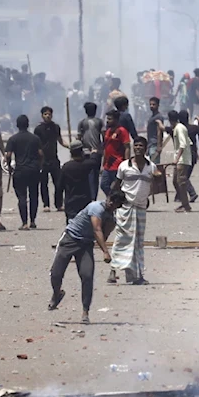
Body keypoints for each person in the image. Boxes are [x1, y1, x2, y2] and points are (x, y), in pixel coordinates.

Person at [48, 191, 124, 324]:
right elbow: (96, 230)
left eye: (114, 204)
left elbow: (103, 235)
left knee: (87, 276)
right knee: (56, 273)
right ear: (108, 198)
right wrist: (105, 252)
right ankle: (57, 293)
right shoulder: (95, 207)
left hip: (85, 245)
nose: (111, 204)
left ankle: (85, 312)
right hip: (70, 239)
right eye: (111, 201)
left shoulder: (111, 219)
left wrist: (108, 228)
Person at [109, 137, 161, 285]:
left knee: (138, 242)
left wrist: (159, 178)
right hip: (125, 207)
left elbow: (157, 183)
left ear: (145, 149)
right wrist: (110, 200)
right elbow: (116, 184)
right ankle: (113, 270)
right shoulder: (124, 166)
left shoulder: (151, 167)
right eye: (136, 145)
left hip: (141, 207)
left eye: (141, 146)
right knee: (122, 239)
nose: (138, 148)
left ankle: (137, 275)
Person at [5, 115, 44, 230]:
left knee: (22, 197)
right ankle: (32, 221)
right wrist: (39, 165)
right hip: (33, 170)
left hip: (20, 171)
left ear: (17, 125)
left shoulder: (13, 139)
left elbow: (7, 155)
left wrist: (9, 166)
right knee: (34, 196)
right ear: (28, 124)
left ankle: (24, 223)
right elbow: (41, 154)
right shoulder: (35, 138)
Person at [34, 106, 66, 213]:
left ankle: (59, 204)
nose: (48, 116)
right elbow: (36, 145)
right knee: (44, 183)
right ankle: (46, 204)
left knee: (58, 182)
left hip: (54, 158)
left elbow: (60, 140)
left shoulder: (56, 127)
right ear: (42, 115)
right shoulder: (38, 129)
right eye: (45, 114)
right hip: (43, 160)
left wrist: (70, 146)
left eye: (49, 114)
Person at [60, 141, 99, 220]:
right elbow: (94, 161)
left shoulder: (66, 167)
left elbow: (60, 186)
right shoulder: (86, 164)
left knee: (71, 227)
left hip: (70, 202)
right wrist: (94, 153)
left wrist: (58, 201)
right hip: (84, 201)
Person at [100, 109, 131, 198]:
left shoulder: (122, 131)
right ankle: (113, 199)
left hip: (118, 164)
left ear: (116, 120)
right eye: (107, 119)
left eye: (110, 119)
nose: (107, 121)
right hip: (108, 165)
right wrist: (103, 163)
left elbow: (127, 147)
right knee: (104, 185)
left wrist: (127, 162)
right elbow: (106, 148)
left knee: (117, 186)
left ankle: (116, 201)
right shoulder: (108, 131)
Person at [77, 102, 103, 200]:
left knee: (91, 175)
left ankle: (91, 197)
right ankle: (91, 197)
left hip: (91, 152)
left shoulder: (84, 122)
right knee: (92, 176)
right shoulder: (96, 122)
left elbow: (79, 138)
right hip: (91, 151)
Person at [169, 110, 193, 212]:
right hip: (180, 159)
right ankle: (184, 203)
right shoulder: (178, 128)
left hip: (182, 160)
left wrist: (177, 159)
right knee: (176, 181)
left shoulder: (179, 128)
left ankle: (186, 205)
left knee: (181, 182)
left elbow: (183, 144)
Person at [145, 97, 165, 162]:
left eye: (154, 104)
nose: (151, 106)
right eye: (150, 104)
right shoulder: (152, 116)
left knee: (155, 164)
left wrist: (159, 146)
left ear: (158, 105)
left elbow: (159, 132)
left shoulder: (158, 117)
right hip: (150, 144)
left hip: (155, 144)